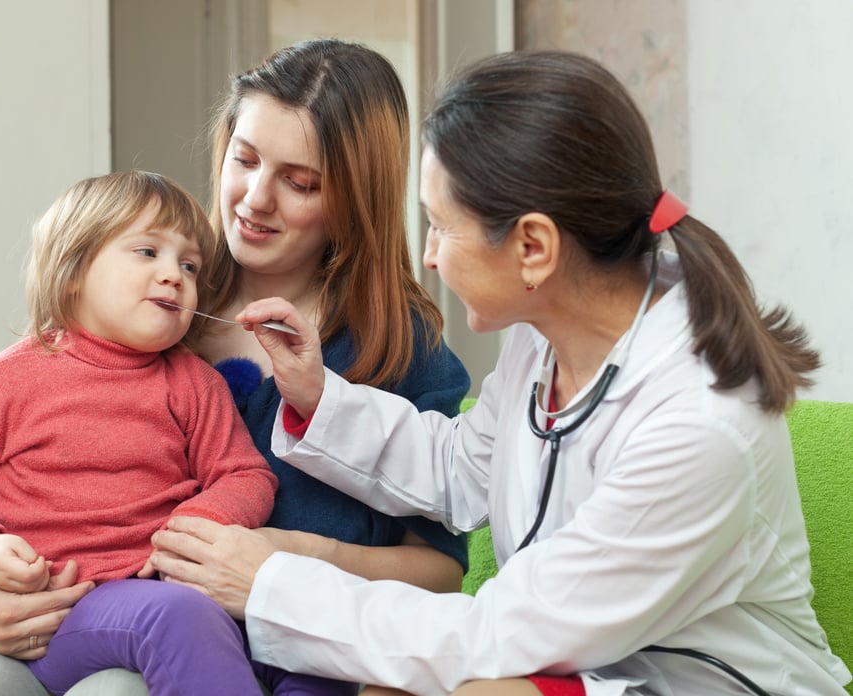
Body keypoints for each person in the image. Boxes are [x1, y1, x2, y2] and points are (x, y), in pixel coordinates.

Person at [144, 51, 853, 696]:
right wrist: (317, 396)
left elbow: (492, 636)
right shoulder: (550, 333)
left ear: (532, 248)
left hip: (697, 684)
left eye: (440, 227)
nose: (427, 257)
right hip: (592, 664)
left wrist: (269, 583)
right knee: (393, 682)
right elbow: (461, 468)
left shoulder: (696, 428)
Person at [0, 39, 470, 696]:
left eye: (298, 182)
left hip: (297, 662)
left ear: (352, 196)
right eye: (245, 159)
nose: (255, 199)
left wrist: (290, 558)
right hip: (111, 635)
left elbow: (440, 574)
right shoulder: (138, 312)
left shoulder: (401, 350)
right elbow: (10, 490)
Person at [0, 170, 281, 696]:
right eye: (148, 252)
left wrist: (193, 525)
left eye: (189, 264)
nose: (174, 275)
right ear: (73, 272)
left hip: (136, 605)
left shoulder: (194, 383)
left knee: (178, 617)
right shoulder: (0, 381)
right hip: (31, 624)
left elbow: (246, 476)